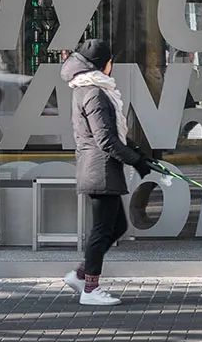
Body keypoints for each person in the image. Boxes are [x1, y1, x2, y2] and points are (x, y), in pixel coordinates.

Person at [60, 38, 154, 307]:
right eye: (111, 61)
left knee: (118, 226)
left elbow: (114, 134)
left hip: (101, 167)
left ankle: (81, 275)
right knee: (102, 229)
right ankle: (90, 289)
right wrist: (136, 160)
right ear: (103, 64)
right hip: (100, 169)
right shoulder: (94, 93)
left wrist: (138, 153)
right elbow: (106, 140)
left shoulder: (88, 89)